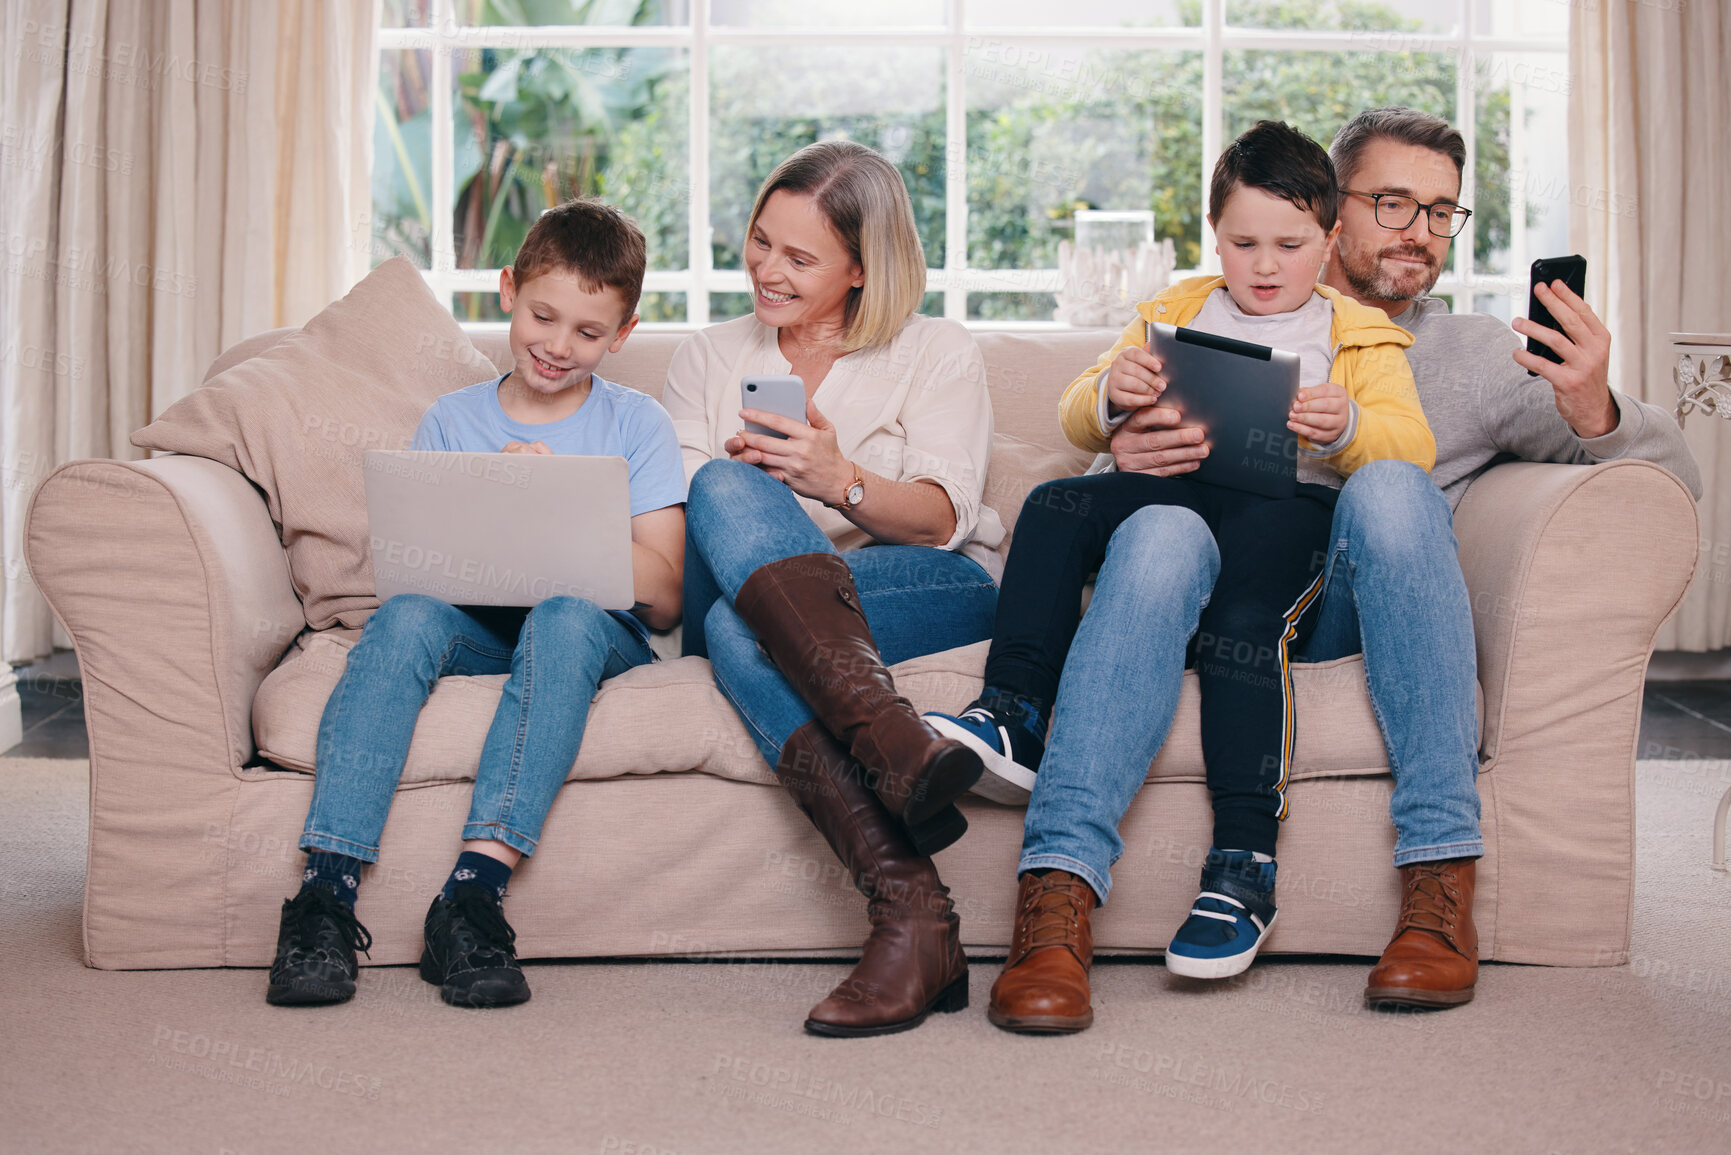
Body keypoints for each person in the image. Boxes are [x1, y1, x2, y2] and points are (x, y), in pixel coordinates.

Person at [982, 107, 1703, 1031]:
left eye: (1441, 212)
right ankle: (1054, 901)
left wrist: (1595, 404)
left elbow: (1666, 480)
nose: (1418, 233)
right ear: (1333, 213)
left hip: (1337, 597)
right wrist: (1125, 443)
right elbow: (1097, 477)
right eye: (1393, 202)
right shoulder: (1211, 313)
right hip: (1187, 572)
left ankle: (1438, 884)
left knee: (1391, 485)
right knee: (1160, 534)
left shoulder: (1474, 357)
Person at [928, 121, 1434, 1028]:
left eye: (1288, 245)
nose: (1264, 265)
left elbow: (1410, 451)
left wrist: (1348, 426)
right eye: (1243, 243)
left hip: (1287, 513)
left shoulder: (1359, 336)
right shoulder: (1181, 307)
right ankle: (1011, 713)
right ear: (1213, 235)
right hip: (1178, 495)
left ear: (1328, 241)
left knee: (1246, 631)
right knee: (1051, 505)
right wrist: (1114, 394)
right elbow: (1077, 411)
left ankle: (1242, 865)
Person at [267, 200, 686, 1009]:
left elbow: (665, 596)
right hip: (485, 625)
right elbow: (415, 581)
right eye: (542, 315)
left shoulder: (637, 423)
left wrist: (556, 507)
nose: (559, 346)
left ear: (622, 336)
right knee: (406, 618)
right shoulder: (452, 420)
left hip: (595, 633)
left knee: (563, 613)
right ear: (507, 289)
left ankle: (471, 895)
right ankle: (323, 896)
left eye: (589, 333)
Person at [663, 140, 1002, 1037]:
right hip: (743, 600)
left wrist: (835, 478)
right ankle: (899, 765)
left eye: (800, 257)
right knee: (723, 501)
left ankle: (914, 921)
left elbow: (938, 521)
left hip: (914, 583)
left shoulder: (934, 351)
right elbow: (684, 524)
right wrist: (753, 495)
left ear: (860, 267)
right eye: (760, 241)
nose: (767, 270)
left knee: (753, 632)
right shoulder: (706, 355)